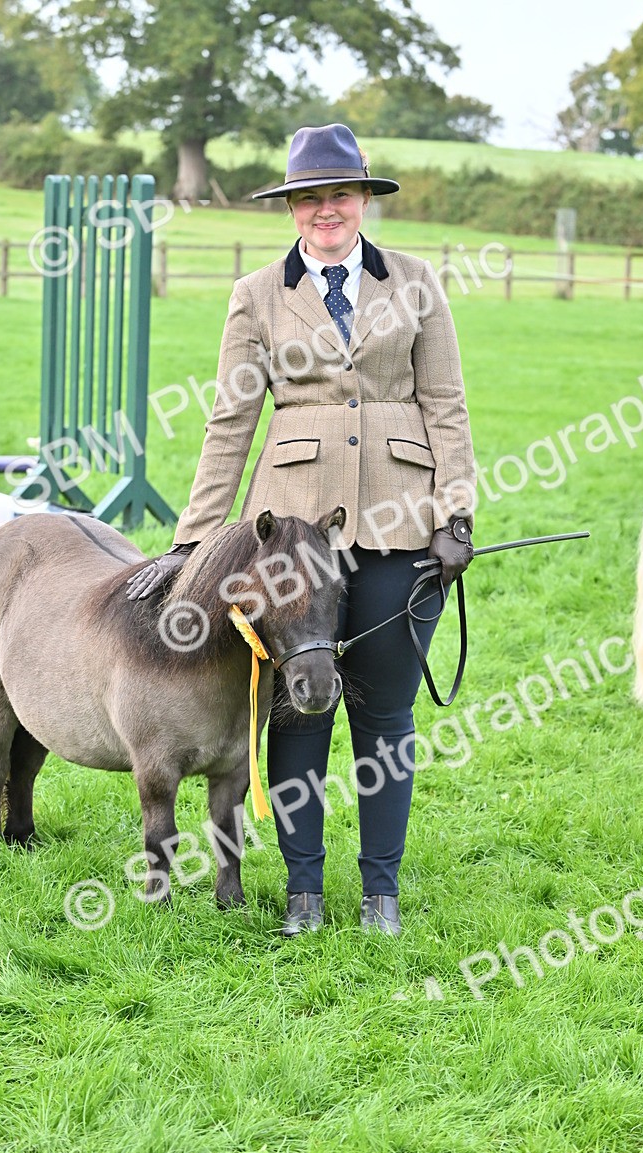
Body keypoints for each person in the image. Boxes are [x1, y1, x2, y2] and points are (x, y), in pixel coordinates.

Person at [126, 123, 475, 936]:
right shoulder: (255, 294)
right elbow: (231, 418)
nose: (327, 210)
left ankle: (381, 894)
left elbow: (447, 405)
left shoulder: (417, 281)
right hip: (289, 539)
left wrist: (456, 512)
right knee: (297, 711)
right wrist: (196, 536)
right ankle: (304, 894)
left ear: (362, 201)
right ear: (291, 208)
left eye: (340, 195)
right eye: (310, 198)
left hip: (402, 524)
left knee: (385, 714)